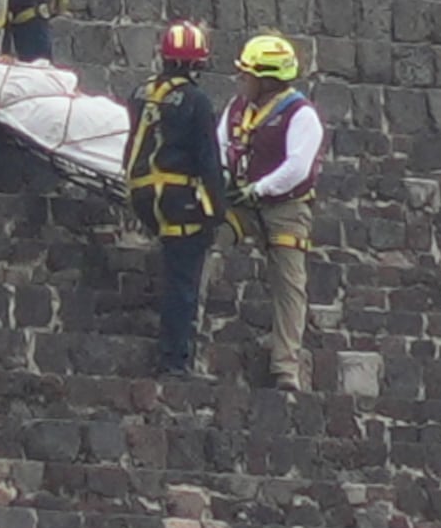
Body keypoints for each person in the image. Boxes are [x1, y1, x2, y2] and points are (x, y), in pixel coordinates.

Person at [224, 33, 328, 391]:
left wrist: (260, 188)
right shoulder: (238, 108)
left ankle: (286, 367)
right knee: (207, 242)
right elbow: (221, 143)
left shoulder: (301, 116)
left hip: (286, 207)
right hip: (241, 201)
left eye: (247, 74)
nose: (241, 80)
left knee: (289, 282)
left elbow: (297, 167)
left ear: (267, 79)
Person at [124, 23, 224, 376]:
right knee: (183, 279)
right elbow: (208, 160)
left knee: (172, 266)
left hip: (142, 193)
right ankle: (174, 359)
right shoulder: (196, 101)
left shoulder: (140, 92)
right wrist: (217, 211)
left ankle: (172, 351)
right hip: (178, 198)